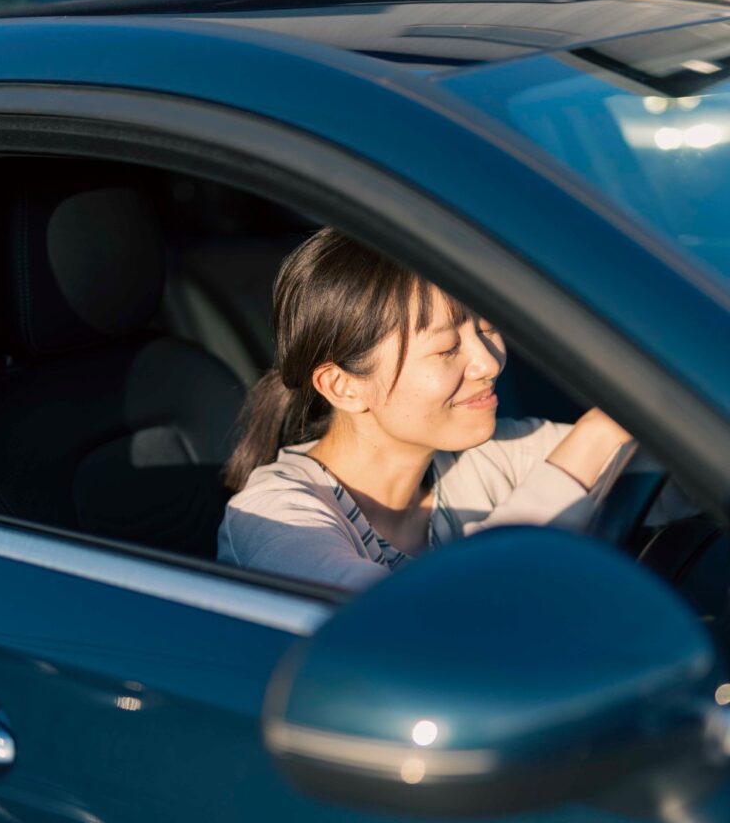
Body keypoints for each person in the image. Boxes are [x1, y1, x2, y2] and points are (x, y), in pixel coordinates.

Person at [218, 227, 634, 590]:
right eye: (447, 349)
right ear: (343, 386)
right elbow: (419, 630)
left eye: (487, 328)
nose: (489, 363)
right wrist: (596, 436)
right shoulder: (274, 515)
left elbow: (679, 473)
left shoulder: (488, 457)